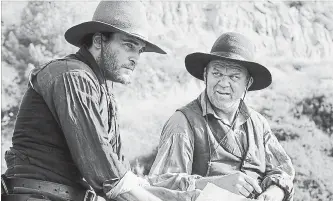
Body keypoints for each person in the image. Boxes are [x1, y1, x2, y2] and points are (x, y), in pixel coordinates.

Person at [2, 1, 167, 201]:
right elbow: (109, 176)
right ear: (98, 41)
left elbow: (122, 174)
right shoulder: (72, 76)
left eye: (139, 50)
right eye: (129, 46)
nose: (136, 58)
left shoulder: (103, 91)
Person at [149, 32, 295, 201]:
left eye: (234, 77)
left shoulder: (258, 124)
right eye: (217, 74)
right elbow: (160, 184)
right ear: (205, 75)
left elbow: (283, 171)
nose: (224, 83)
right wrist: (214, 184)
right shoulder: (183, 122)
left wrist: (275, 192)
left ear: (248, 83)